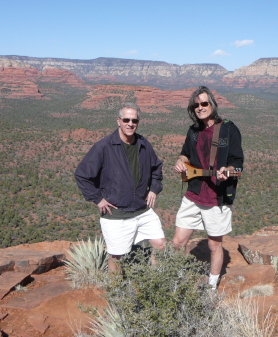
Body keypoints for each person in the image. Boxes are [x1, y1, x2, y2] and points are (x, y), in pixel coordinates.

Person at [75, 102, 166, 272]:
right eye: (126, 120)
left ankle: (155, 286)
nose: (130, 124)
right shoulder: (104, 146)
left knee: (160, 245)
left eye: (134, 120)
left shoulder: (143, 144)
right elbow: (82, 174)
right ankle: (116, 293)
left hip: (142, 209)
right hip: (116, 213)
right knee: (117, 257)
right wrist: (98, 199)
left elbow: (156, 168)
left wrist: (154, 188)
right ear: (118, 121)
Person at [173, 86, 244, 289]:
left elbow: (237, 162)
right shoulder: (193, 131)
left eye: (204, 103)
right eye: (196, 105)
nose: (200, 107)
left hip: (217, 196)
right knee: (178, 242)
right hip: (193, 193)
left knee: (214, 245)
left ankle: (212, 286)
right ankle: (176, 280)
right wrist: (180, 161)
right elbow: (185, 153)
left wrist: (228, 170)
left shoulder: (229, 129)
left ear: (212, 104)